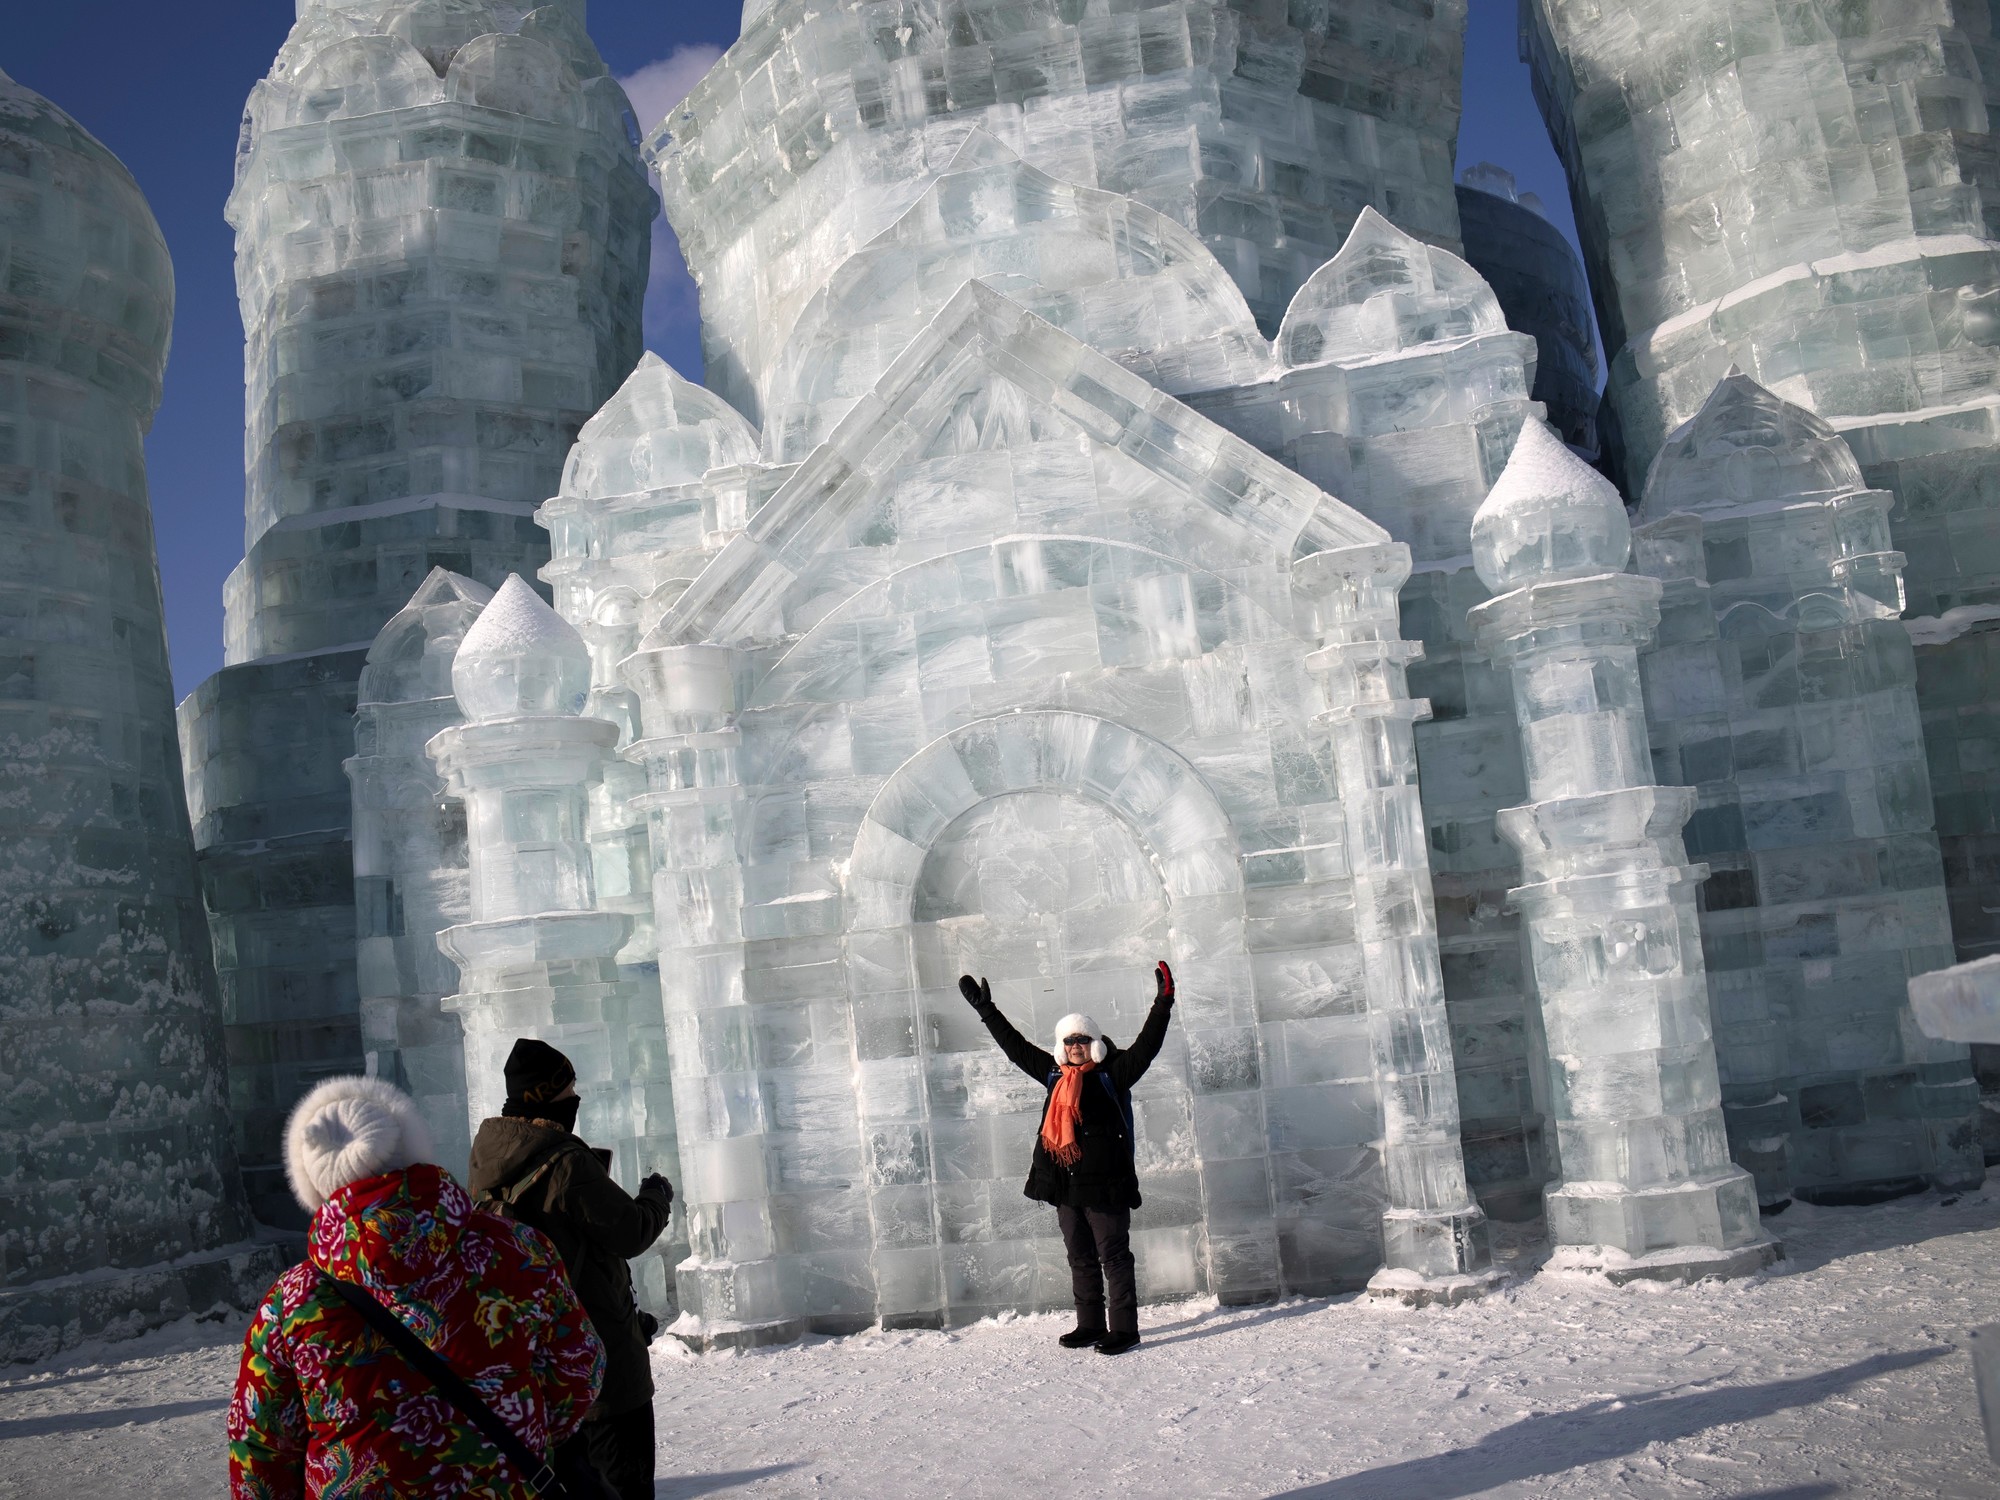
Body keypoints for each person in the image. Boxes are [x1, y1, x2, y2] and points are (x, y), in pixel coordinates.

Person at [228, 1074, 605, 1499]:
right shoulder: (517, 1250)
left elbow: (259, 1447)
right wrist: (523, 1431)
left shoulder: (293, 1300)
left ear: (315, 1184)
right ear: (411, 1148)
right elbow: (579, 1367)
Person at [468, 1039, 675, 1500]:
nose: (575, 1097)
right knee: (625, 1484)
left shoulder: (487, 1162)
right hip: (600, 1361)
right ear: (546, 1094)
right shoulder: (566, 1163)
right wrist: (657, 1195)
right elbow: (630, 1232)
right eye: (569, 1088)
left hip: (539, 1362)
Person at [958, 960, 1176, 1355]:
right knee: (1080, 1257)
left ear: (1095, 1043)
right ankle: (1089, 1324)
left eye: (1082, 1040)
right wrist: (986, 1010)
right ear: (1062, 1046)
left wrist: (1162, 1004)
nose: (1076, 1047)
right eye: (1070, 1041)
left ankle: (1124, 1329)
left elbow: (1148, 1046)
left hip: (1106, 1186)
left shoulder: (1113, 1073)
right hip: (1066, 1184)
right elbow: (1015, 1047)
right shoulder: (1054, 1075)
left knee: (1114, 1257)